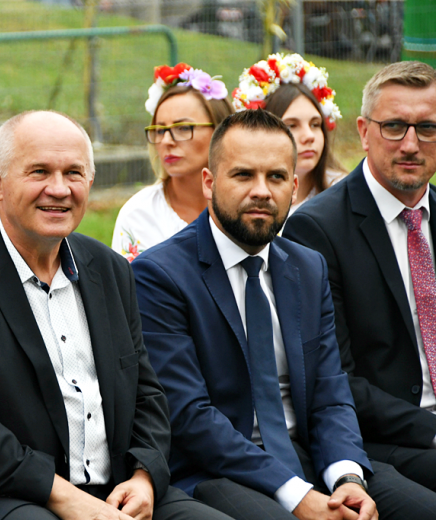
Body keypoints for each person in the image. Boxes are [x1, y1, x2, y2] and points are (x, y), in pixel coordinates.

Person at [0, 109, 235, 520]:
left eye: (73, 173)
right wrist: (67, 500)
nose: (58, 189)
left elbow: (147, 394)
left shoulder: (111, 270)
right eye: (39, 171)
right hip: (1, 497)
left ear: (89, 182)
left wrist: (145, 476)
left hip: (116, 492)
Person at [132, 108, 436, 520]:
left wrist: (347, 478)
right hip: (217, 471)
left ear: (293, 187)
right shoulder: (160, 274)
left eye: (275, 177)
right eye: (243, 175)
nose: (261, 191)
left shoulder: (306, 266)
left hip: (311, 456)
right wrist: (296, 496)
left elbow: (330, 394)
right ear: (209, 182)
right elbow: (190, 417)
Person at [283, 60, 436, 491]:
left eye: (427, 128)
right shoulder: (316, 229)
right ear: (363, 132)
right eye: (394, 127)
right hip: (382, 440)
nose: (411, 144)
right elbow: (335, 378)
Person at [112, 63, 232, 261]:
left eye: (183, 128)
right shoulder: (138, 215)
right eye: (160, 130)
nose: (167, 141)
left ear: (220, 131)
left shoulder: (247, 204)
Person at [233, 53, 347, 213]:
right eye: (292, 126)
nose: (309, 136)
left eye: (315, 124)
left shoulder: (344, 195)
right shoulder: (242, 200)